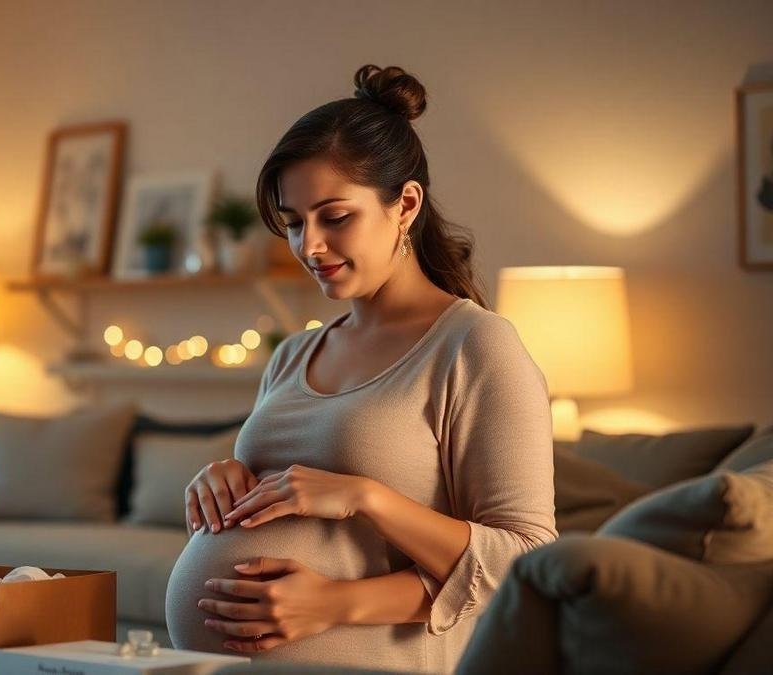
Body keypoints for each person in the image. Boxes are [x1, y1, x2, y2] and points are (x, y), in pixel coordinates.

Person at [163, 64, 557, 674]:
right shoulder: (295, 354)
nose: (309, 247)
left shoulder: (476, 346)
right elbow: (291, 493)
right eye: (294, 223)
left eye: (335, 216)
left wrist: (360, 519)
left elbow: (524, 562)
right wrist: (226, 476)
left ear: (405, 204)